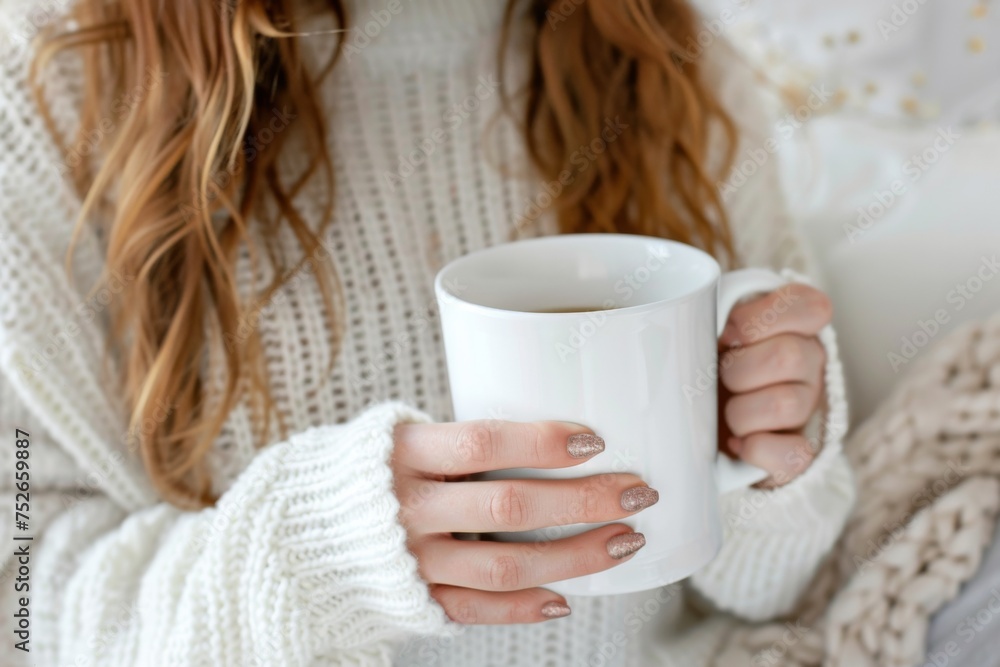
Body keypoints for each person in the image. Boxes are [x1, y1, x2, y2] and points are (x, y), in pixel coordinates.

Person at [0, 0, 855, 664]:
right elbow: (25, 606)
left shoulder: (666, 50)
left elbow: (766, 590)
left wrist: (779, 458)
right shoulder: (50, 79)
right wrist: (315, 557)